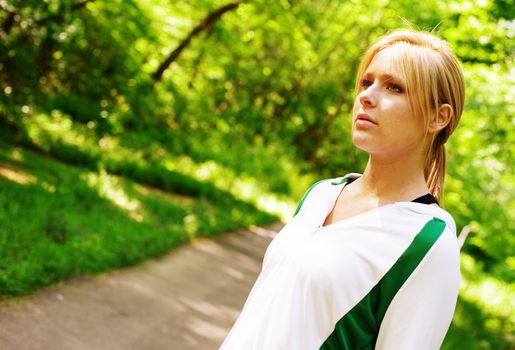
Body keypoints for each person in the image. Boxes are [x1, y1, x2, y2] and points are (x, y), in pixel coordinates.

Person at [220, 29, 465, 350]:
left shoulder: (428, 244)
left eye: (394, 87)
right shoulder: (321, 194)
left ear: (438, 117)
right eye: (366, 82)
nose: (367, 96)